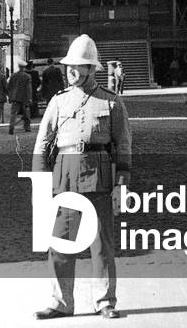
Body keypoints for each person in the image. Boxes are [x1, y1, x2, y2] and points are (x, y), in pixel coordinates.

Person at [33, 34, 131, 320]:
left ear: (92, 69)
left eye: (79, 66)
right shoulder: (59, 101)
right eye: (69, 66)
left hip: (98, 176)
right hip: (65, 175)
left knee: (101, 243)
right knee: (61, 241)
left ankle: (105, 302)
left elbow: (123, 145)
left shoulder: (112, 103)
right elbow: (42, 142)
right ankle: (61, 302)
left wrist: (121, 185)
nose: (72, 71)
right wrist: (40, 182)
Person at [8, 59, 32, 134]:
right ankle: (27, 127)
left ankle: (11, 127)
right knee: (26, 113)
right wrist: (30, 98)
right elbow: (28, 88)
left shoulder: (13, 75)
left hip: (15, 97)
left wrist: (10, 96)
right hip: (24, 97)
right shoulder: (27, 76)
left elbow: (9, 86)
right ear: (24, 67)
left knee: (13, 114)